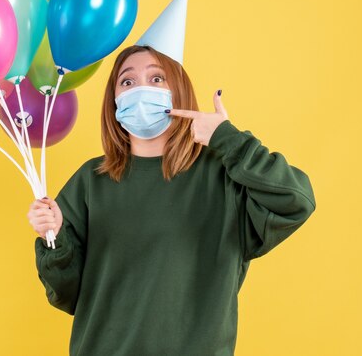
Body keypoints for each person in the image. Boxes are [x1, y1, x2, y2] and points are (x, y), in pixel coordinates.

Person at [27, 43, 317, 356]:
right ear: (113, 101)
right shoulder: (90, 181)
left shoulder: (222, 176)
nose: (141, 89)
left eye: (156, 79)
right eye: (127, 81)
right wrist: (53, 236)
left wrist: (228, 139)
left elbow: (295, 200)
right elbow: (67, 295)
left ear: (177, 91)